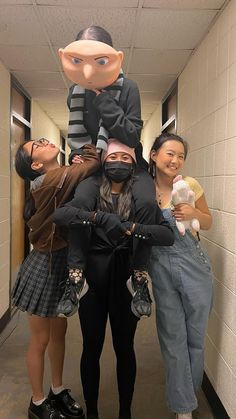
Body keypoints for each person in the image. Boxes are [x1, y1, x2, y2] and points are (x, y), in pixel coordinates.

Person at [52, 140, 174, 419]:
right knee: (91, 347)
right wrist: (98, 218)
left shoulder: (143, 193)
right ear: (104, 160)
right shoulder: (91, 186)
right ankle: (92, 412)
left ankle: (125, 413)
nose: (119, 161)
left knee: (125, 347)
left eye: (125, 157)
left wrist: (134, 228)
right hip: (92, 279)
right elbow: (62, 215)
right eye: (114, 156)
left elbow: (165, 235)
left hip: (127, 278)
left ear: (134, 162)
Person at [58, 26, 158, 315]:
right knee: (78, 206)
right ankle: (75, 278)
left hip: (128, 163)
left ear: (112, 58)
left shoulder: (129, 87)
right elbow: (77, 136)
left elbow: (130, 134)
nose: (88, 69)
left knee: (148, 203)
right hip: (94, 165)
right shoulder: (74, 91)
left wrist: (104, 100)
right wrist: (79, 156)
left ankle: (139, 278)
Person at [12, 138, 100, 419]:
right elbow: (94, 162)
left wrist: (74, 162)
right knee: (40, 338)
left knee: (59, 334)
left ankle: (57, 389)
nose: (45, 141)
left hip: (63, 261)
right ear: (36, 165)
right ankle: (37, 403)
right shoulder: (50, 180)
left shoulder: (60, 174)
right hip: (44, 264)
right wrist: (82, 152)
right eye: (38, 144)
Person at [148, 133, 213, 419]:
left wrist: (192, 211)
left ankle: (188, 394)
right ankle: (184, 408)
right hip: (160, 267)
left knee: (196, 338)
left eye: (181, 156)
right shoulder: (143, 188)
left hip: (194, 265)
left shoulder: (191, 185)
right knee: (173, 338)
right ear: (154, 155)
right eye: (169, 153)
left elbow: (208, 222)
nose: (175, 160)